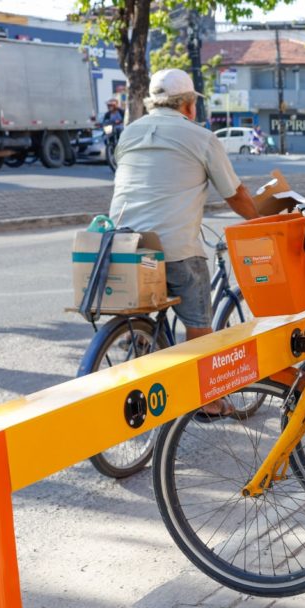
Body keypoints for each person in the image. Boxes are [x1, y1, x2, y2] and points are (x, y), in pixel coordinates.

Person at [108, 68, 259, 416]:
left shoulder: (129, 133)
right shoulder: (201, 138)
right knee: (198, 320)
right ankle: (208, 402)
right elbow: (235, 195)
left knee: (148, 294)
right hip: (174, 248)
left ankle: (142, 338)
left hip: (120, 244)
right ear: (189, 105)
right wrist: (262, 221)